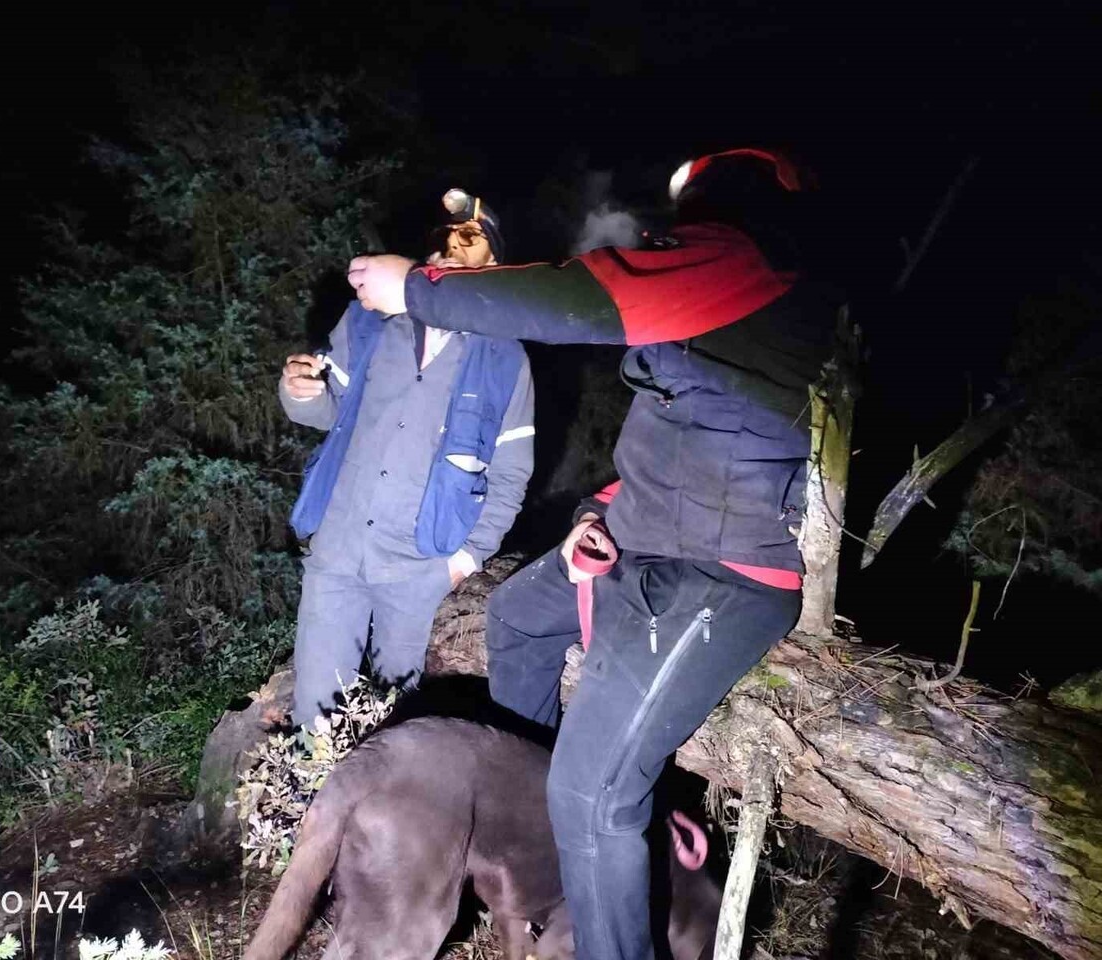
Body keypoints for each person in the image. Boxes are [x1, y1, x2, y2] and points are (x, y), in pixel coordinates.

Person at [347, 149, 839, 960]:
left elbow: (583, 298)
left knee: (598, 791)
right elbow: (676, 444)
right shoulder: (728, 292)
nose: (676, 221)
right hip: (646, 539)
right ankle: (540, 839)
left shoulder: (750, 262)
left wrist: (418, 290)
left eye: (695, 199)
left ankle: (588, 867)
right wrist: (591, 515)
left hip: (727, 573)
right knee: (517, 617)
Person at [281, 189, 534, 728]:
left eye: (471, 240)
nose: (451, 249)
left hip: (418, 565)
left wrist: (466, 559)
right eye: (443, 240)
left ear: (496, 264)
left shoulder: (507, 359)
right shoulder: (370, 323)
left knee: (394, 717)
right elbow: (329, 413)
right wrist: (300, 392)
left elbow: (512, 473)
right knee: (315, 715)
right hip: (339, 549)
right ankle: (309, 803)